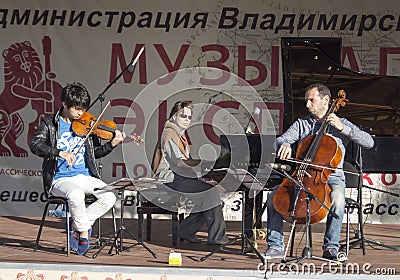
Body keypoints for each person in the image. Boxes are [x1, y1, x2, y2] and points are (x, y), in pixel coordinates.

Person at [264, 83, 374, 260]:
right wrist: (284, 144)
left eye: (311, 100)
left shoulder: (341, 123)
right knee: (273, 198)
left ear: (326, 100)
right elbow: (282, 139)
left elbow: (369, 142)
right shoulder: (302, 124)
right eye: (306, 100)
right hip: (301, 175)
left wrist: (343, 129)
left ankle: (330, 247)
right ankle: (275, 245)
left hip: (332, 178)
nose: (307, 105)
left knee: (338, 200)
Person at [30, 82, 125, 255]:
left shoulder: (87, 124)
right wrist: (59, 153)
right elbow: (35, 145)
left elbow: (95, 153)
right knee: (75, 194)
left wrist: (111, 144)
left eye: (83, 109)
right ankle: (83, 232)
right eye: (77, 109)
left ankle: (77, 226)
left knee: (110, 196)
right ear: (64, 104)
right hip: (59, 179)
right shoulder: (50, 123)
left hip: (84, 176)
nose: (81, 113)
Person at [151, 100, 229, 245]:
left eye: (189, 117)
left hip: (178, 177)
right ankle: (217, 237)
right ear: (174, 116)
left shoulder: (178, 133)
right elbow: (179, 162)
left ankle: (186, 231)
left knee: (211, 198)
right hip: (168, 179)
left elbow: (186, 161)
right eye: (183, 116)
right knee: (211, 193)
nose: (186, 120)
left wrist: (204, 168)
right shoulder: (170, 133)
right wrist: (204, 163)